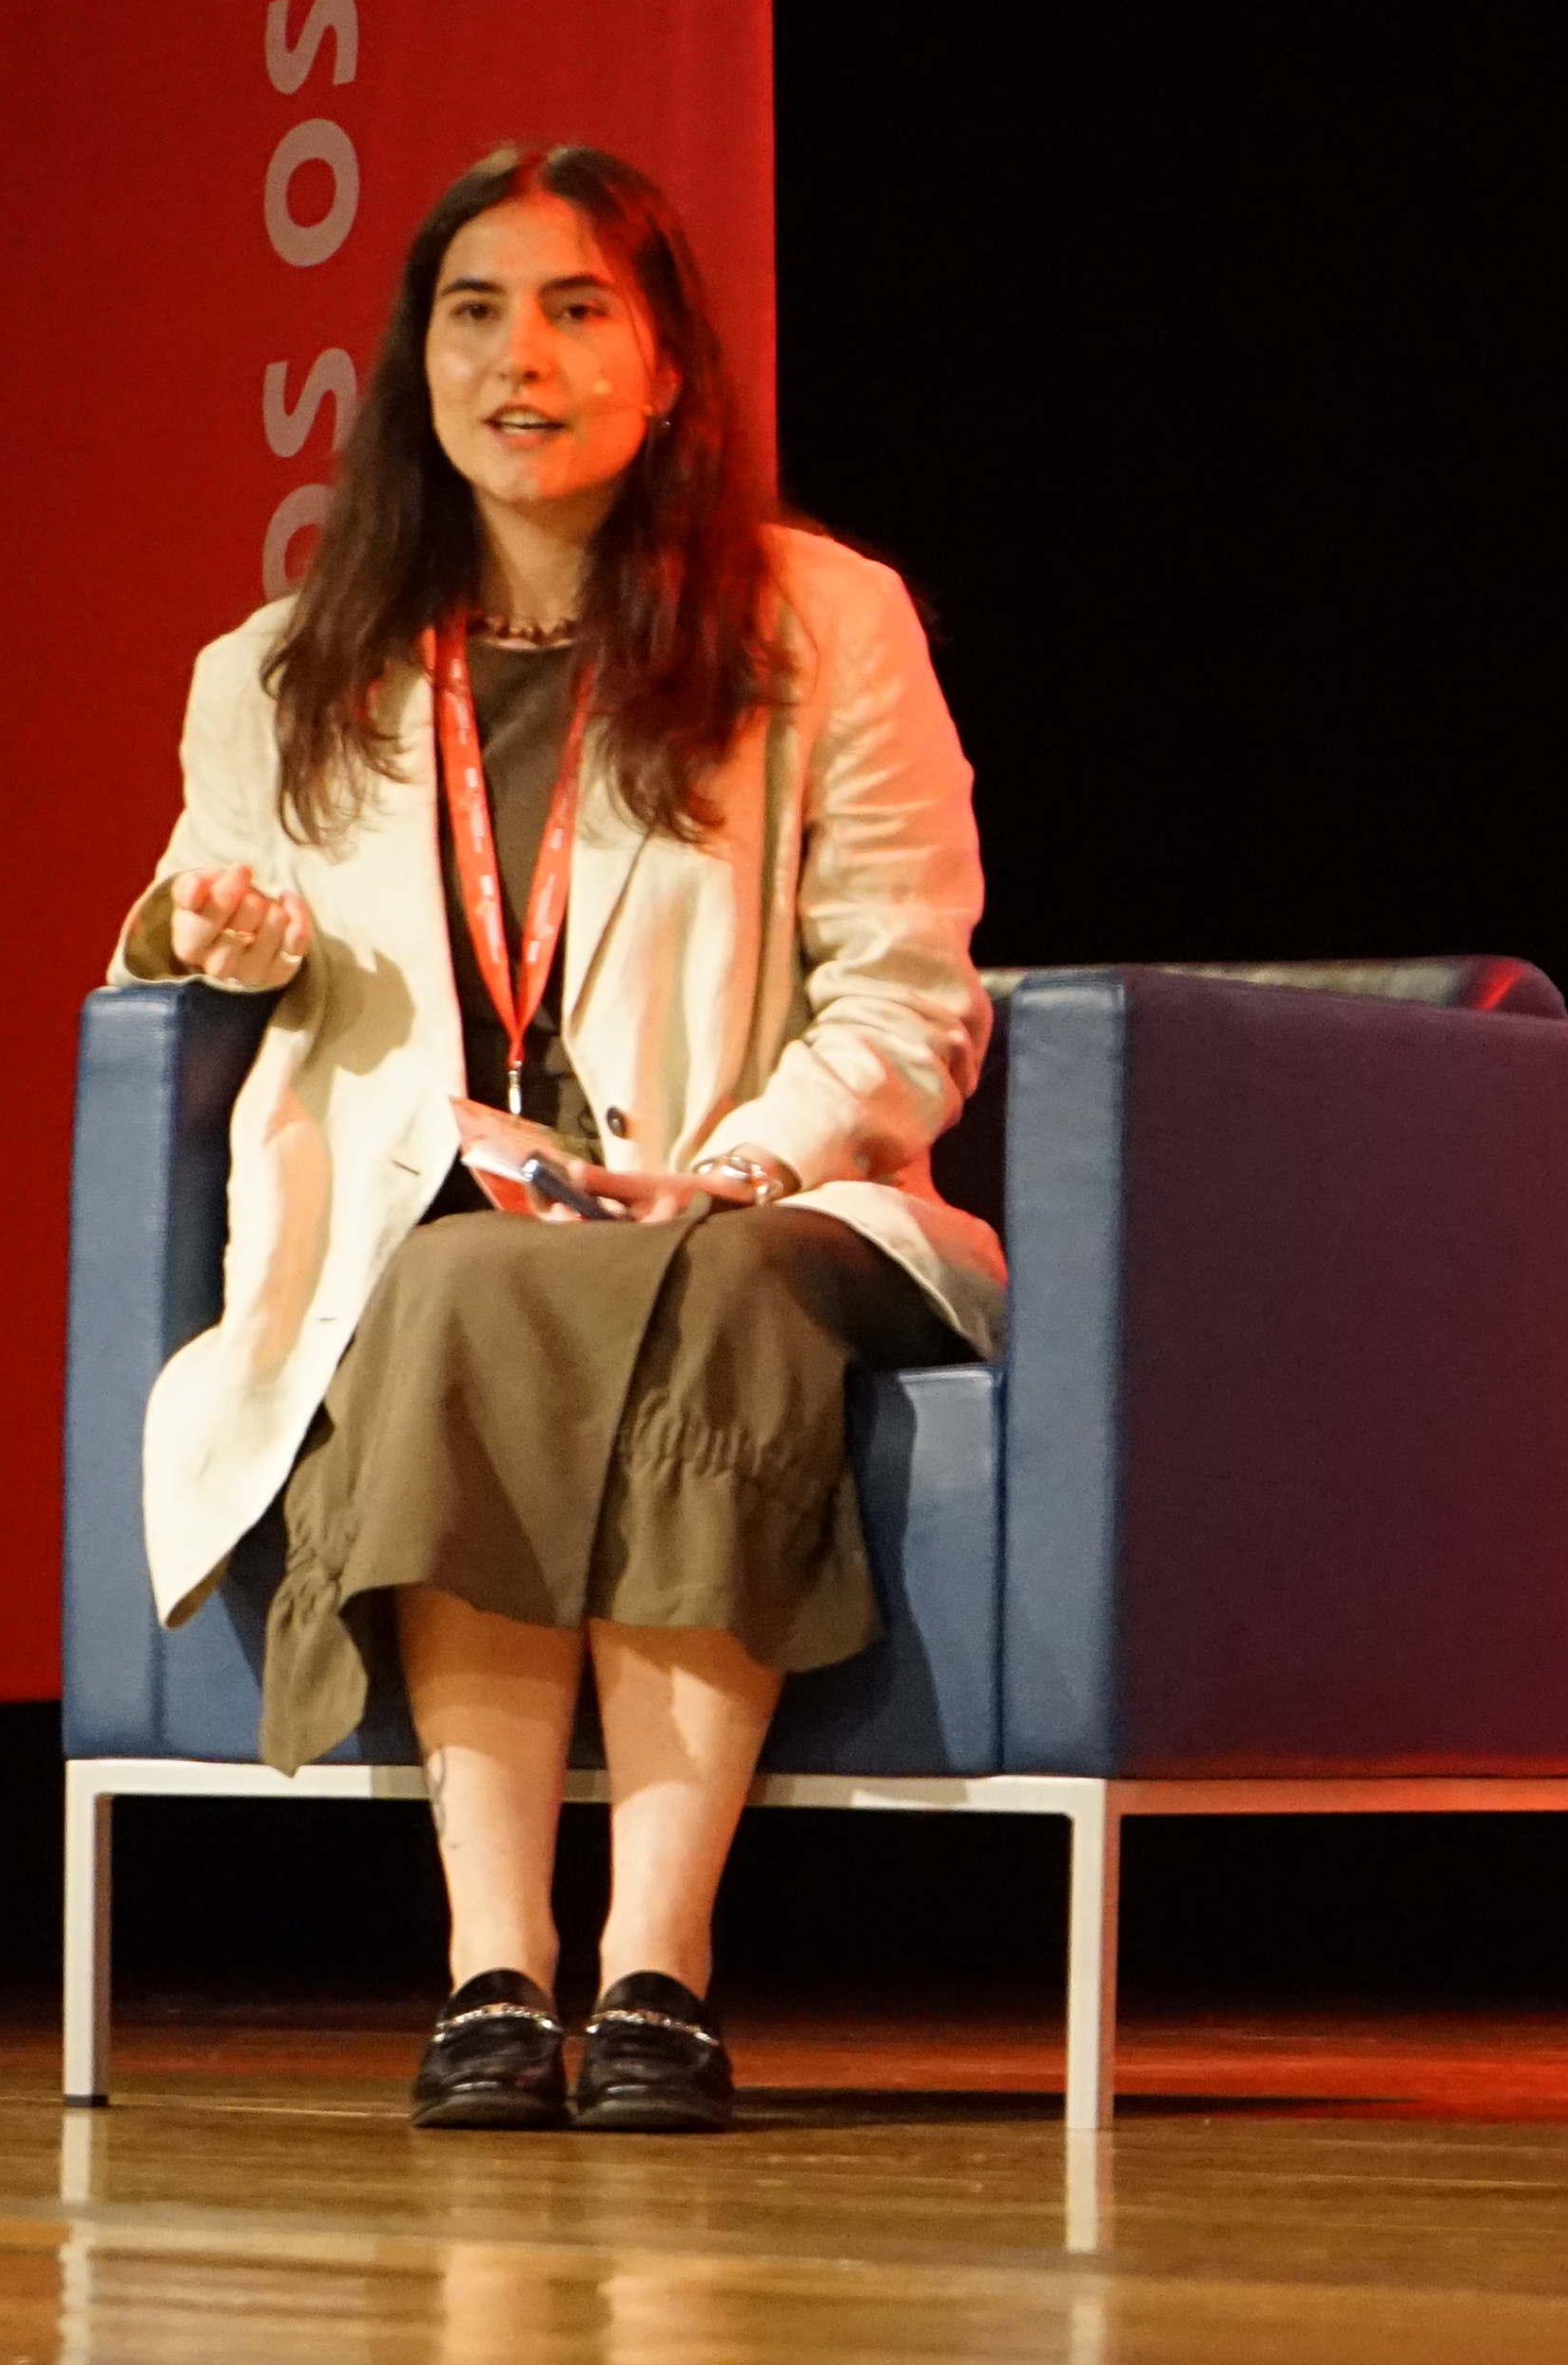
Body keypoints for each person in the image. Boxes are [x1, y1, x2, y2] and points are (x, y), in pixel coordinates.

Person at [115, 142, 995, 2133]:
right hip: (446, 1208)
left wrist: (745, 1159)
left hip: (764, 1189)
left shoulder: (822, 622)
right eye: (475, 312)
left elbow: (907, 987)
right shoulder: (279, 670)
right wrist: (210, 930)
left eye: (578, 308)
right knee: (463, 1281)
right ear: (417, 361)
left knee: (711, 1287)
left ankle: (659, 1970)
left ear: (667, 367)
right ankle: (494, 1973)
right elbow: (195, 906)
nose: (520, 357)